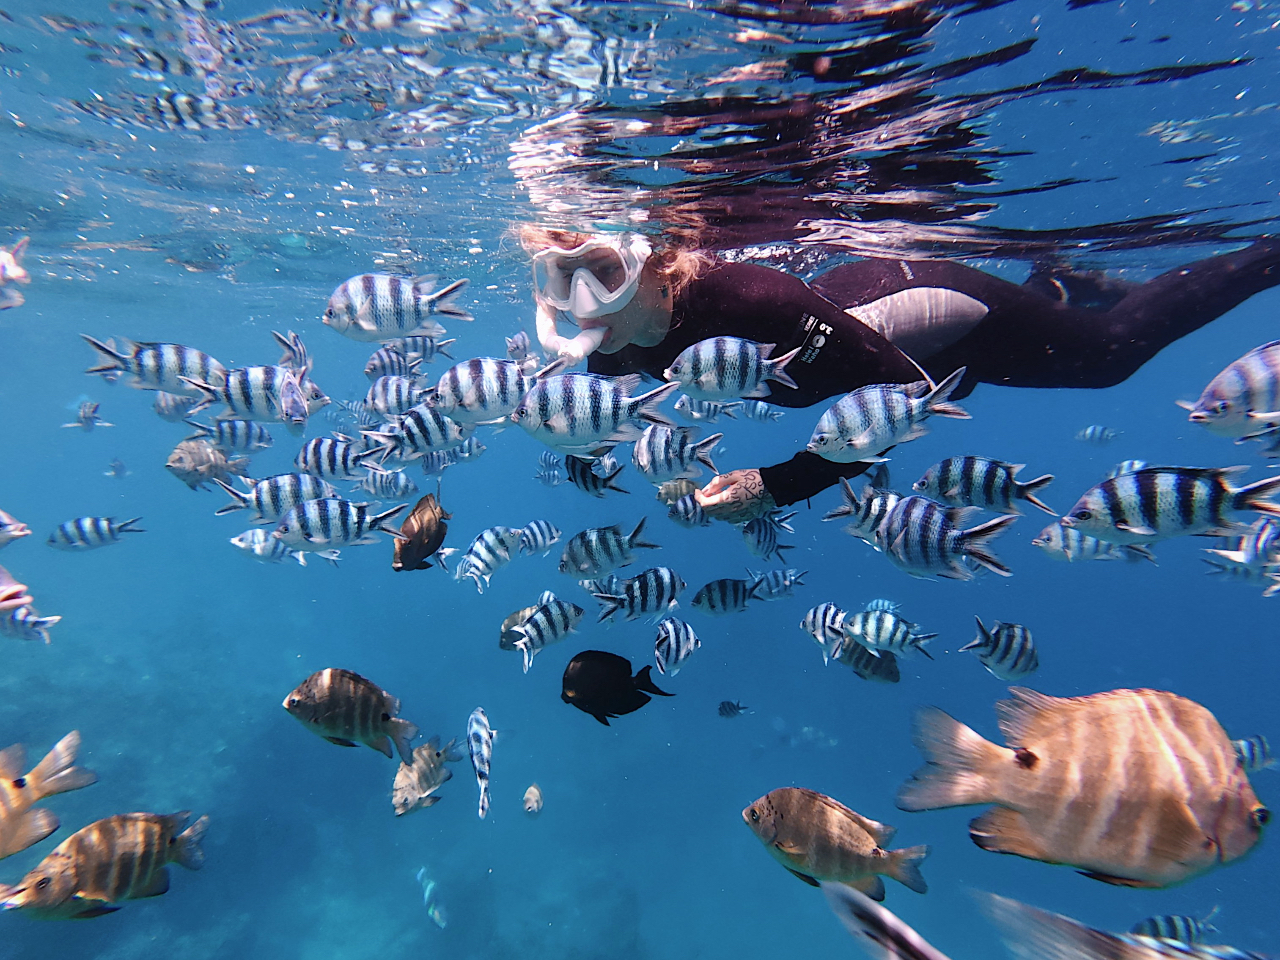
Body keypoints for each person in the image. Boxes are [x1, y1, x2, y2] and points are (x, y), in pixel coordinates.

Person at [519, 226, 1280, 521]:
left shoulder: (752, 300)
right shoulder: (611, 348)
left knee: (1108, 357)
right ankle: (1051, 286)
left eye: (602, 273)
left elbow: (903, 396)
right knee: (1040, 350)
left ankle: (1266, 255)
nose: (582, 301)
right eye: (559, 279)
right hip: (873, 352)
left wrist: (779, 484)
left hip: (934, 316)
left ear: (652, 262)